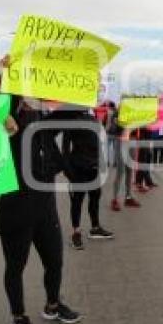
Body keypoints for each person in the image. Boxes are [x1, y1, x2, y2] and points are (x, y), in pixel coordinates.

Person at [0, 89, 82, 324]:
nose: (35, 103)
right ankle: (19, 317)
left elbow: (71, 112)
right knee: (15, 267)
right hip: (16, 210)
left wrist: (86, 86)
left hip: (46, 211)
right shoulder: (8, 127)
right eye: (28, 100)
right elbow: (2, 108)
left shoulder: (45, 130)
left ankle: (53, 305)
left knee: (55, 261)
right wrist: (8, 81)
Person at [61, 106, 114, 249]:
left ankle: (95, 228)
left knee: (95, 197)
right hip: (77, 168)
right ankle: (76, 232)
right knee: (77, 200)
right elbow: (65, 147)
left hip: (93, 167)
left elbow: (99, 144)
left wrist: (102, 163)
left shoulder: (93, 119)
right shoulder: (70, 120)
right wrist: (67, 169)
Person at [107, 104, 140, 211]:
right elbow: (118, 124)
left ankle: (128, 197)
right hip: (120, 141)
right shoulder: (117, 113)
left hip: (132, 141)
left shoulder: (135, 113)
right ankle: (115, 199)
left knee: (130, 170)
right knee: (120, 171)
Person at [134, 126, 155, 192]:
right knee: (143, 164)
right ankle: (146, 183)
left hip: (146, 144)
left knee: (144, 163)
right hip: (143, 145)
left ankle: (140, 182)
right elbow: (140, 135)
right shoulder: (143, 124)